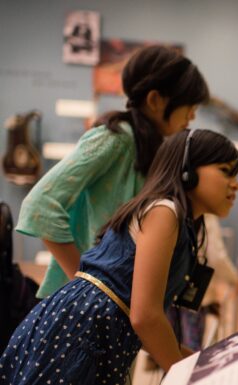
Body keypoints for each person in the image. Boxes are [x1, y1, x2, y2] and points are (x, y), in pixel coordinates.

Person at [0, 129, 238, 384]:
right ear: (188, 171)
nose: (235, 184)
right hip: (76, 338)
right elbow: (145, 317)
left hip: (88, 336)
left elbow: (140, 319)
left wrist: (196, 361)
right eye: (225, 171)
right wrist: (193, 374)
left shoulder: (181, 223)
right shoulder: (165, 212)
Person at [16, 44, 209, 299]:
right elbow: (40, 205)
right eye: (188, 105)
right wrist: (85, 284)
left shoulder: (148, 146)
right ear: (154, 100)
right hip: (84, 311)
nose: (192, 115)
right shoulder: (115, 139)